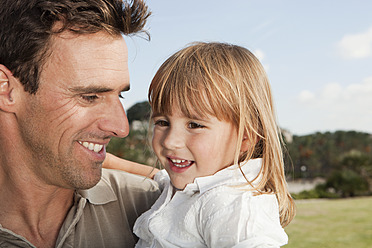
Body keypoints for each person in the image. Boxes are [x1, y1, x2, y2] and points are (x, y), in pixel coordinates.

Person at [104, 42, 296, 247]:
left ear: (245, 138)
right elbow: (157, 176)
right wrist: (106, 160)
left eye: (194, 125)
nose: (170, 141)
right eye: (162, 122)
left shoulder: (232, 205)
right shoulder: (195, 182)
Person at [0, 0, 160, 247]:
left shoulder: (153, 208)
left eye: (119, 95)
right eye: (90, 96)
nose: (121, 128)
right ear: (6, 90)